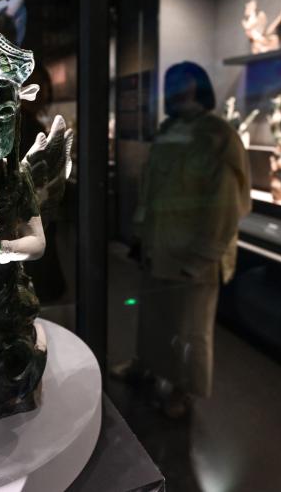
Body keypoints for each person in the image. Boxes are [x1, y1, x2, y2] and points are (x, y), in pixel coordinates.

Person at [118, 61, 251, 418]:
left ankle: (184, 390)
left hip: (194, 257)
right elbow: (150, 190)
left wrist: (204, 255)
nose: (176, 89)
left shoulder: (218, 136)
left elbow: (226, 206)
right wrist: (141, 236)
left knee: (191, 329)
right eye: (171, 83)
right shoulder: (167, 132)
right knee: (153, 318)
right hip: (159, 248)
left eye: (184, 82)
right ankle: (146, 367)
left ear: (199, 87)